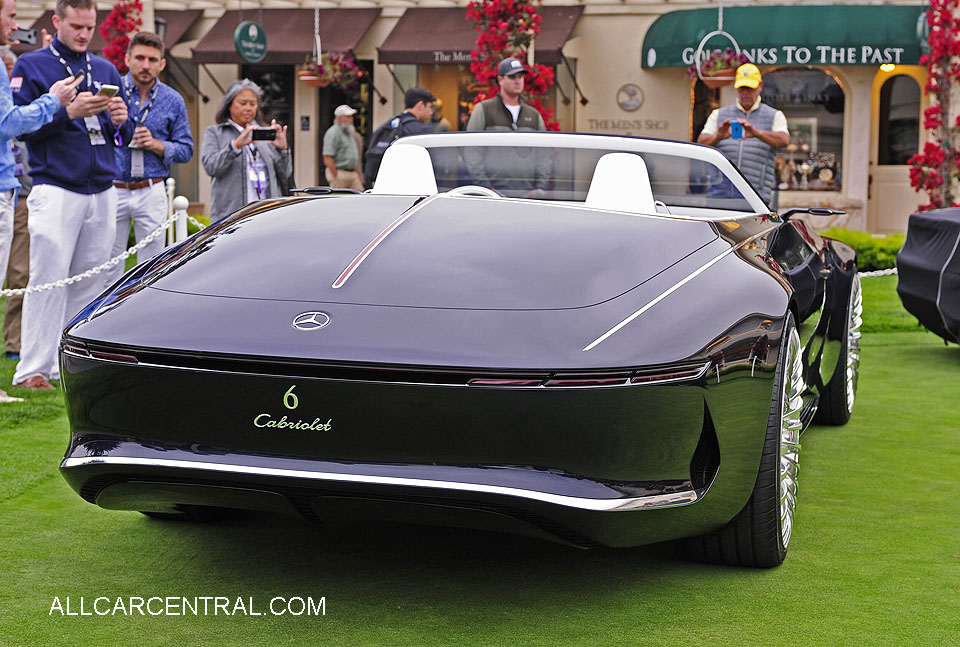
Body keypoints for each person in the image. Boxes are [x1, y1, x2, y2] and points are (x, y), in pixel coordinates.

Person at [10, 0, 129, 391]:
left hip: (102, 187)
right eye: (76, 26)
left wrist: (121, 123)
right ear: (57, 21)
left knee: (90, 283)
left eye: (89, 27)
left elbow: (120, 140)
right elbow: (22, 130)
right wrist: (68, 112)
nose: (83, 34)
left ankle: (70, 364)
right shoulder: (32, 65)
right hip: (56, 186)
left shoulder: (106, 68)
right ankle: (33, 369)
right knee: (48, 279)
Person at [103, 30, 193, 288]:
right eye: (140, 58)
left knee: (152, 265)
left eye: (152, 60)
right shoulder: (111, 93)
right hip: (113, 186)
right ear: (127, 59)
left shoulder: (173, 100)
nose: (145, 65)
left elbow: (186, 149)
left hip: (151, 188)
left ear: (161, 64)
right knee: (108, 264)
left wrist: (157, 145)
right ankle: (106, 312)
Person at [696, 63, 790, 205]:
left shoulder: (775, 115)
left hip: (756, 196)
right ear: (736, 88)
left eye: (750, 88)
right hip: (719, 194)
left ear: (760, 86)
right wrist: (718, 136)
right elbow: (701, 142)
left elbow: (784, 140)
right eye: (742, 88)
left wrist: (757, 133)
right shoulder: (718, 114)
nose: (746, 93)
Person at [200, 79, 291, 224]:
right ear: (229, 105)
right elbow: (211, 167)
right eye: (242, 103)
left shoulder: (263, 134)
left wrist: (283, 150)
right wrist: (235, 146)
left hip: (266, 215)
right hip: (231, 218)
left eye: (253, 104)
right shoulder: (215, 133)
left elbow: (285, 173)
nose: (248, 108)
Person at [464, 57, 548, 196]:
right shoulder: (484, 109)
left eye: (520, 76)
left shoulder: (534, 115)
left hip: (527, 196)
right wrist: (486, 189)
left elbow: (543, 154)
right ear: (500, 80)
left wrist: (539, 189)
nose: (518, 81)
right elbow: (472, 152)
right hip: (493, 196)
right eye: (512, 77)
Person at [363, 85, 436, 187]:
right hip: (410, 188)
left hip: (382, 187)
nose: (431, 112)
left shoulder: (385, 126)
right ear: (420, 105)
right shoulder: (422, 131)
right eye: (429, 107)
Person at [322, 104, 363, 191]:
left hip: (352, 173)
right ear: (340, 118)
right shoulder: (333, 133)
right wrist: (336, 174)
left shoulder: (349, 132)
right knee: (339, 198)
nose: (351, 119)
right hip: (340, 172)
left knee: (359, 195)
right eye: (348, 116)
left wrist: (357, 173)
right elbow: (327, 156)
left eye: (351, 116)